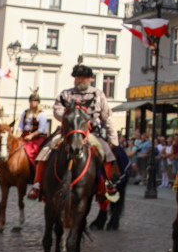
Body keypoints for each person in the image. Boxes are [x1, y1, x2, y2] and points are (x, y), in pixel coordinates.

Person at [28, 64, 120, 201]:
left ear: (90, 79)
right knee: (46, 150)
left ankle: (106, 186)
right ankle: (37, 185)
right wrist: (67, 115)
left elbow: (107, 117)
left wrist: (113, 140)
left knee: (106, 151)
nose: (80, 81)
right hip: (68, 132)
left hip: (90, 133)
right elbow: (57, 110)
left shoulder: (98, 94)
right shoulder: (66, 94)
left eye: (83, 78)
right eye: (77, 78)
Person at [16, 89, 49, 164]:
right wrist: (17, 136)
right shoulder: (25, 112)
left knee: (32, 151)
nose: (32, 103)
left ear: (38, 102)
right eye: (31, 101)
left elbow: (41, 129)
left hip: (36, 137)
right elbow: (20, 126)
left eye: (34, 101)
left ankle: (34, 167)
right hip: (25, 135)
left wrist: (31, 136)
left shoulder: (42, 114)